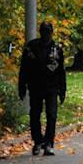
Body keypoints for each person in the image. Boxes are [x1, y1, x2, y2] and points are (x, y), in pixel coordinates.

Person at [18, 21, 66, 156]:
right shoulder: (31, 47)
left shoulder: (57, 48)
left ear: (51, 32)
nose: (46, 33)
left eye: (48, 31)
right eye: (44, 31)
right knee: (35, 115)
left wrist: (63, 90)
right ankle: (38, 141)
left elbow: (61, 71)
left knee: (52, 115)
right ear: (40, 31)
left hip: (52, 87)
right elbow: (24, 69)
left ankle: (49, 143)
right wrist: (22, 86)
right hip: (35, 87)